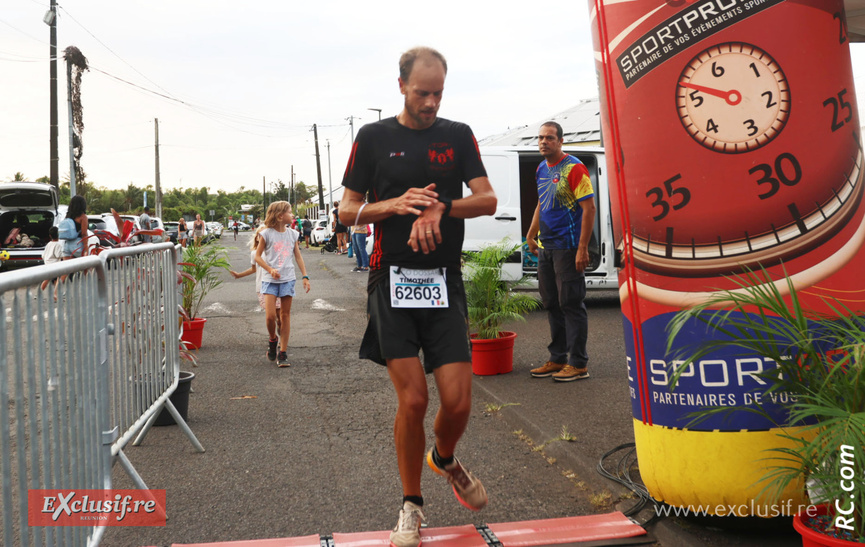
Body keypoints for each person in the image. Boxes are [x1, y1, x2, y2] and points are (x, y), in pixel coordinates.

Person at [338, 46, 497, 547]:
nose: (430, 103)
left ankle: (444, 458)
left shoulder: (456, 135)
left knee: (458, 400)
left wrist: (442, 208)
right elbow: (346, 212)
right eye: (422, 93)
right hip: (392, 279)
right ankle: (412, 504)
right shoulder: (373, 138)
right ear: (401, 86)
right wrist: (396, 204)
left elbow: (488, 199)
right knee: (414, 399)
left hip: (443, 280)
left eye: (438, 93)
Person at [526, 121, 596, 383]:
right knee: (552, 303)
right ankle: (558, 358)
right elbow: (542, 203)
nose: (544, 142)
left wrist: (582, 249)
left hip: (568, 247)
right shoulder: (542, 167)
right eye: (540, 137)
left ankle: (579, 363)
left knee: (571, 304)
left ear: (560, 141)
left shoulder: (574, 168)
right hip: (547, 247)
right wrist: (531, 234)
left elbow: (589, 209)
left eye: (549, 138)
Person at [255, 201, 311, 367]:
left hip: (288, 278)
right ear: (280, 216)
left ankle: (283, 352)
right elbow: (258, 257)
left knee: (285, 316)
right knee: (271, 316)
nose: (292, 215)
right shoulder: (266, 234)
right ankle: (273, 339)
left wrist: (305, 276)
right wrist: (270, 269)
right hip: (270, 280)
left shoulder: (293, 234)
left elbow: (298, 256)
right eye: (289, 212)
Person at [229, 226, 282, 338]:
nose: (262, 236)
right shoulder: (254, 254)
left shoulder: (274, 250)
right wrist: (239, 275)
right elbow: (254, 269)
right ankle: (273, 337)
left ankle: (282, 338)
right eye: (260, 234)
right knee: (271, 316)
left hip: (276, 285)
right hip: (262, 287)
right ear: (257, 238)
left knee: (280, 317)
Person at [58, 195, 90, 259]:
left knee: (69, 268)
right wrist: (86, 249)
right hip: (77, 245)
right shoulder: (83, 217)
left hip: (66, 245)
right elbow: (84, 234)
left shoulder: (68, 215)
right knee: (84, 266)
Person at [40, 226, 63, 293]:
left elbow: (43, 255)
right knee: (57, 279)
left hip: (47, 264)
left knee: (50, 279)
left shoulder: (48, 244)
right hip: (54, 265)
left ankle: (40, 292)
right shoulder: (58, 245)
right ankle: (55, 295)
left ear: (50, 235)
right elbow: (58, 255)